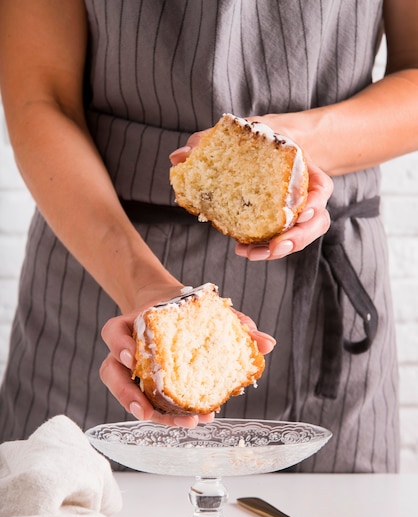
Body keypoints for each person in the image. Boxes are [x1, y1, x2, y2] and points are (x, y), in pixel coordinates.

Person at [0, 1, 416, 472]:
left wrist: (287, 146)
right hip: (99, 268)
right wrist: (140, 284)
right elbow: (43, 97)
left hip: (326, 295)